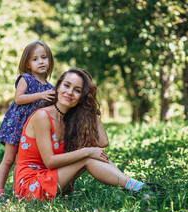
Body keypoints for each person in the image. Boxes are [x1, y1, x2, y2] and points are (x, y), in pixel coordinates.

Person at [15, 67, 156, 201]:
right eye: (66, 85)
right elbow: (50, 162)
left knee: (94, 154)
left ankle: (136, 187)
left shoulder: (68, 121)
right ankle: (139, 188)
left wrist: (90, 108)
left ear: (81, 97)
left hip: (51, 179)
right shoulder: (42, 116)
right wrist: (88, 151)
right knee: (87, 157)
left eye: (77, 90)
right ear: (57, 87)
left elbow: (102, 142)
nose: (70, 92)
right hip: (30, 186)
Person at [0, 41, 56, 197]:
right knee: (8, 159)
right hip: (17, 124)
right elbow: (18, 99)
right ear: (28, 64)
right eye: (35, 59)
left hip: (33, 131)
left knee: (22, 162)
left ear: (49, 60)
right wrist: (40, 95)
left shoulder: (50, 88)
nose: (41, 61)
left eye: (44, 57)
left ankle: (19, 192)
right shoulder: (26, 78)